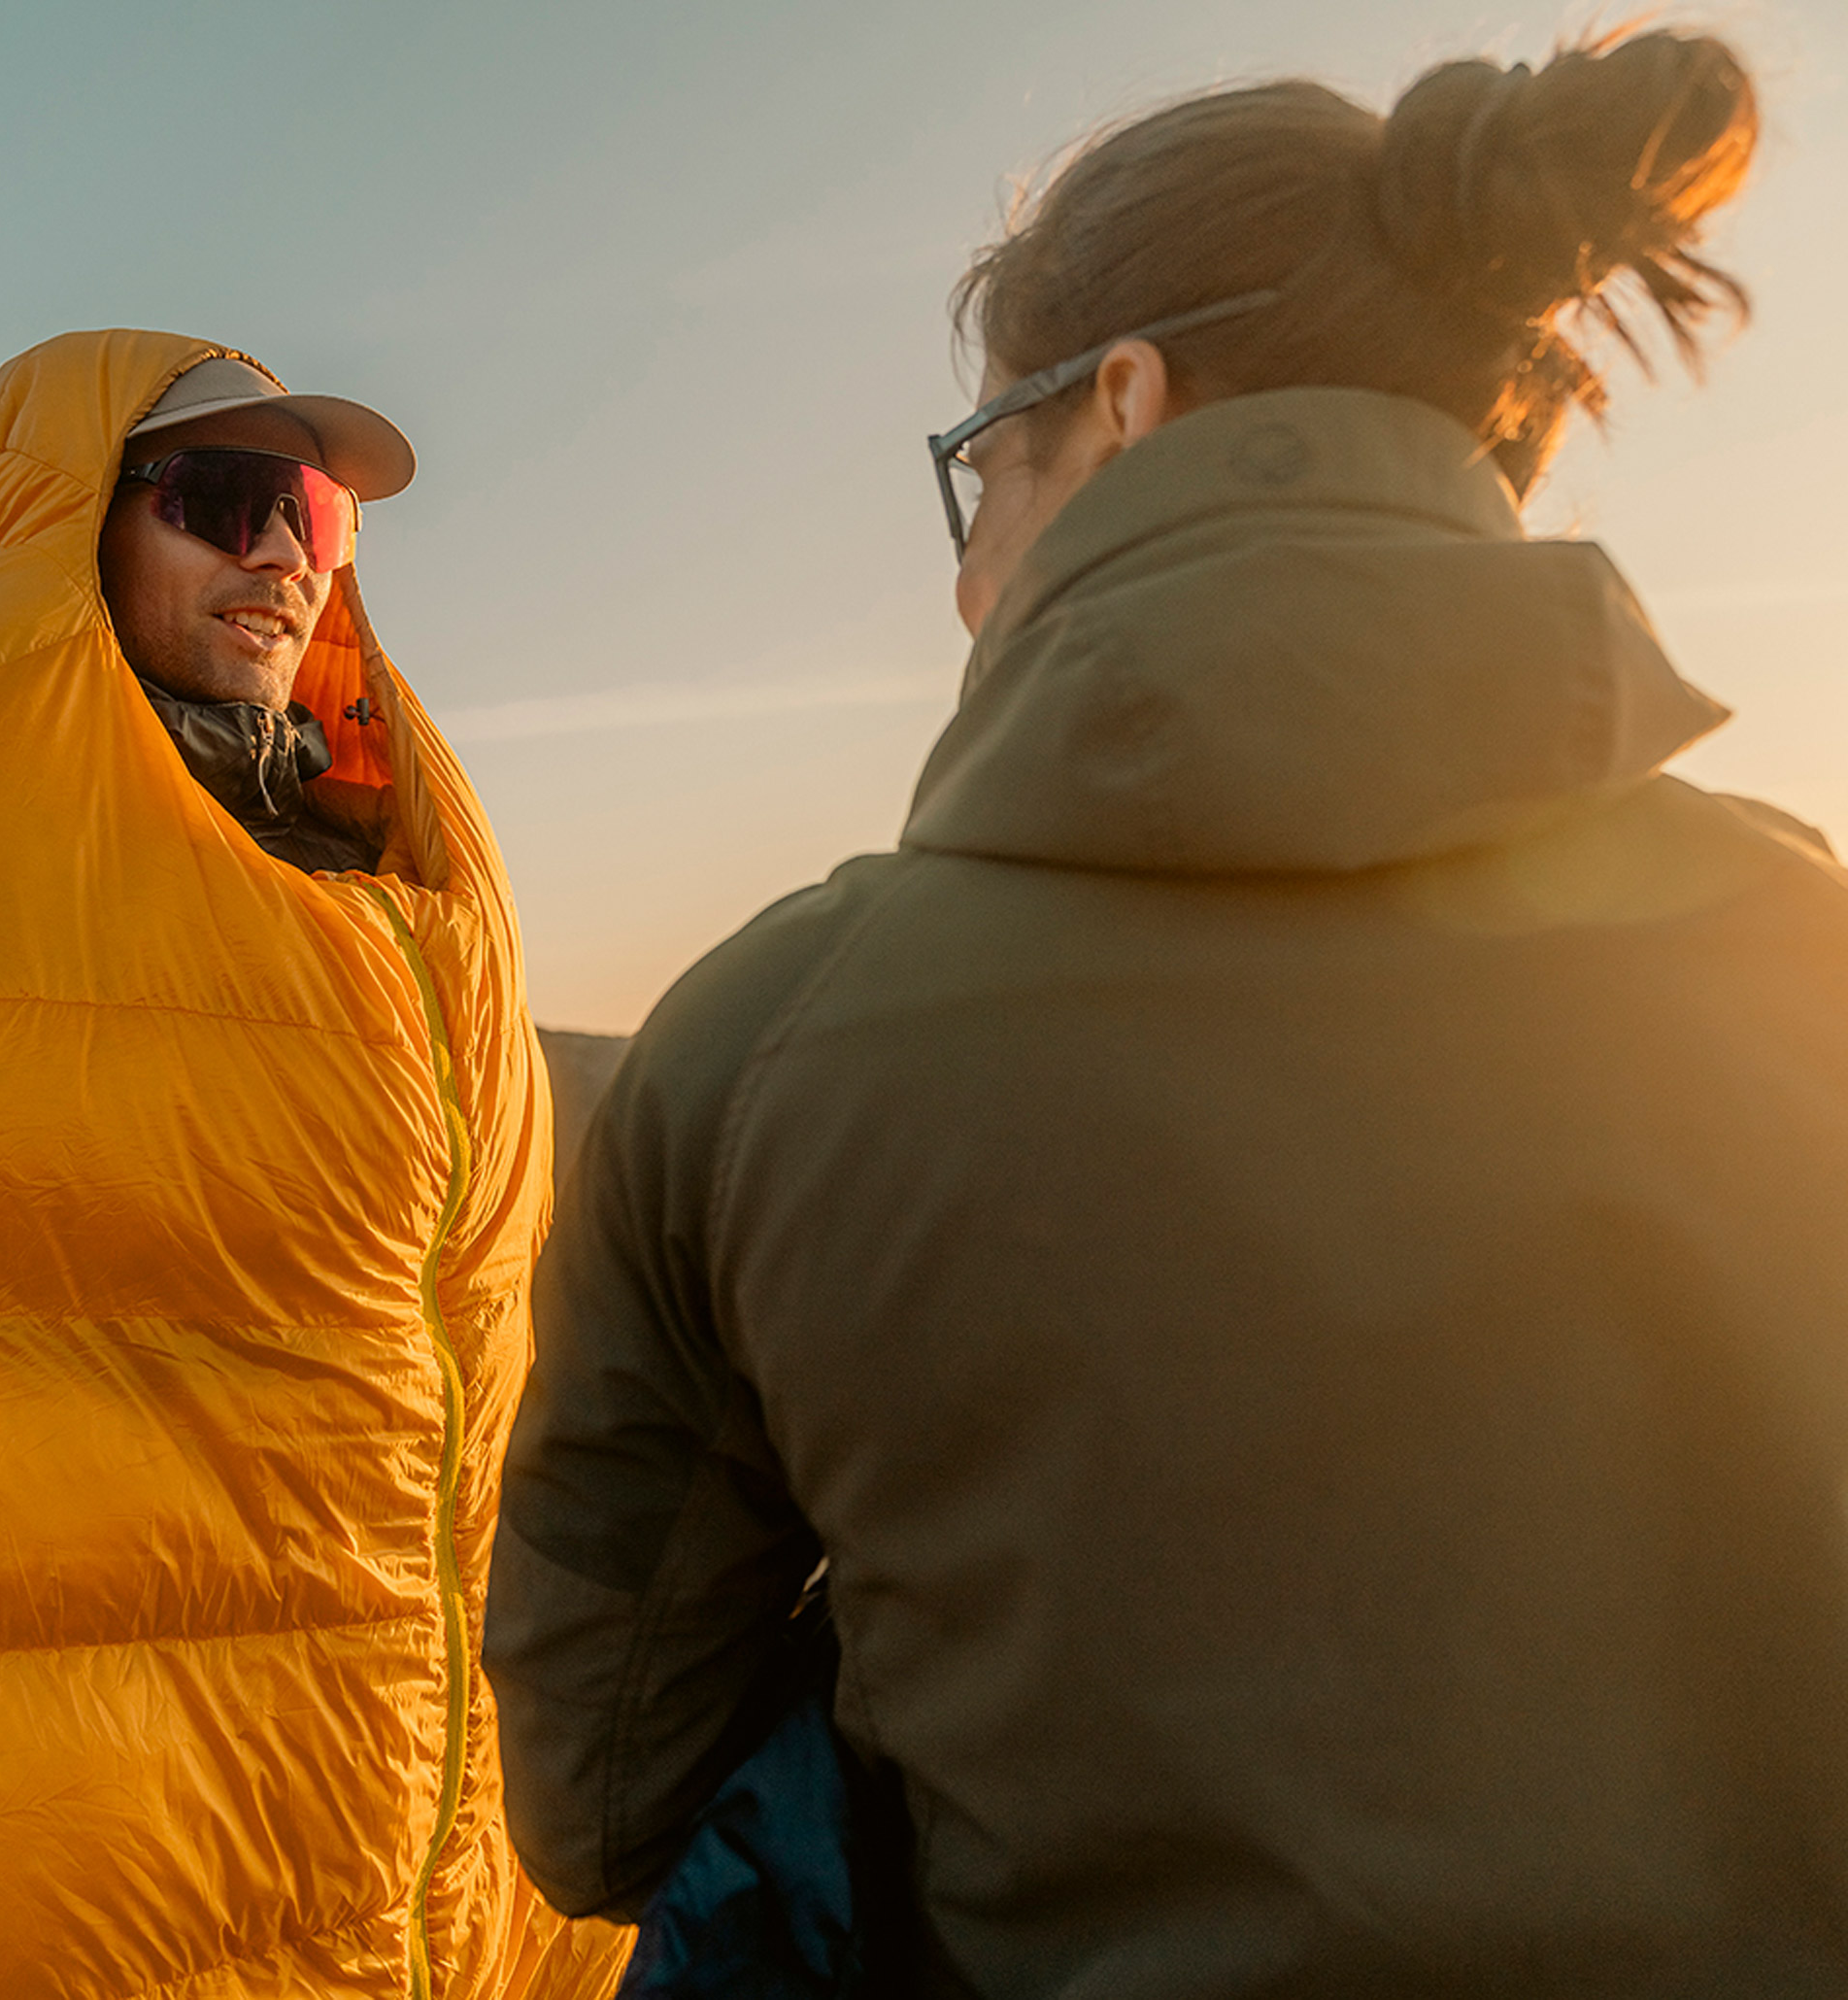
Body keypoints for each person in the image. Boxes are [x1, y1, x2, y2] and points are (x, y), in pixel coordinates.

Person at [483, 28, 1848, 1997]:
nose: (967, 589)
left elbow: (609, 1799)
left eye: (981, 472)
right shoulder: (1798, 948)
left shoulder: (767, 1044)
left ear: (1118, 402)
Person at [0, 330, 629, 2000]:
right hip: (83, 1790)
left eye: (310, 512)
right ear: (72, 531)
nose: (284, 555)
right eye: (222, 500)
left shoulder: (380, 859)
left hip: (422, 1743)